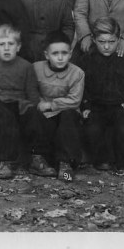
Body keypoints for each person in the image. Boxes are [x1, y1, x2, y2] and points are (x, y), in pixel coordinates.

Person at [0, 24, 54, 180]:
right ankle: (4, 161)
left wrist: (38, 106)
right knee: (6, 118)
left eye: (11, 44)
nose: (6, 48)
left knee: (34, 116)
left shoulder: (26, 66)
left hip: (19, 103)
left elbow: (32, 92)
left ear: (18, 46)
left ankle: (36, 158)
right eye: (2, 44)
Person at [75, 17, 124, 173]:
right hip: (96, 107)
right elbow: (80, 87)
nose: (106, 47)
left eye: (111, 42)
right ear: (93, 39)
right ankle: (102, 160)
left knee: (123, 127)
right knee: (93, 127)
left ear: (119, 39)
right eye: (101, 42)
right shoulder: (86, 60)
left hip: (119, 106)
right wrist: (85, 105)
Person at [32, 30, 85, 182]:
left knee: (68, 118)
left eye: (64, 53)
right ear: (47, 55)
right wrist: (41, 103)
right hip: (44, 112)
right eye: (55, 53)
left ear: (70, 54)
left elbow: (75, 99)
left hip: (66, 112)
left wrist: (51, 105)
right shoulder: (36, 68)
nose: (60, 57)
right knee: (34, 115)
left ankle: (65, 165)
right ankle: (38, 159)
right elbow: (32, 90)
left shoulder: (77, 73)